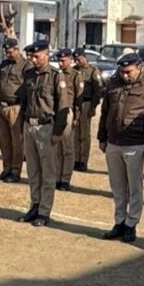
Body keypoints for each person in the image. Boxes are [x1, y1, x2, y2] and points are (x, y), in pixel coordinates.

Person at [97, 52, 144, 243]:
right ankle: (119, 221)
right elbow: (105, 112)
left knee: (134, 187)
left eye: (129, 71)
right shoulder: (114, 83)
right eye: (122, 71)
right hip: (114, 143)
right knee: (118, 187)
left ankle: (131, 224)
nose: (125, 75)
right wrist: (102, 137)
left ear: (139, 68)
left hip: (135, 143)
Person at [17, 41, 71, 227]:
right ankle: (34, 205)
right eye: (32, 56)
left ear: (47, 56)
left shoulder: (56, 76)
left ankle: (44, 211)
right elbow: (24, 102)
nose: (33, 60)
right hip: (29, 126)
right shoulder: (29, 74)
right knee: (33, 171)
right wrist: (21, 128)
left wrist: (58, 132)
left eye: (37, 56)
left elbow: (63, 106)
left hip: (46, 127)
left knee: (47, 172)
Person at [0, 38, 31, 184]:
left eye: (10, 51)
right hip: (2, 107)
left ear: (17, 49)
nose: (8, 54)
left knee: (17, 141)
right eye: (6, 52)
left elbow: (28, 87)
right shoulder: (4, 64)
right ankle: (6, 168)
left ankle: (16, 170)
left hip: (16, 107)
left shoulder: (26, 65)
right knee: (4, 141)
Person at [54, 49, 82, 191]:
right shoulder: (56, 74)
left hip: (68, 112)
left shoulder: (76, 75)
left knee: (68, 148)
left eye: (63, 60)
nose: (60, 63)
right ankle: (57, 177)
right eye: (59, 60)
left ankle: (65, 179)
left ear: (70, 60)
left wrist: (77, 116)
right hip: (56, 113)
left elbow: (78, 97)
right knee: (57, 148)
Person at [73, 47, 103, 173]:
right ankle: (76, 159)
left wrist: (93, 106)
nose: (77, 61)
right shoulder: (74, 70)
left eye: (79, 59)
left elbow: (98, 90)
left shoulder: (93, 71)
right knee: (75, 134)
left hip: (86, 103)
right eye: (75, 59)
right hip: (75, 104)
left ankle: (83, 160)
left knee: (84, 134)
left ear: (85, 57)